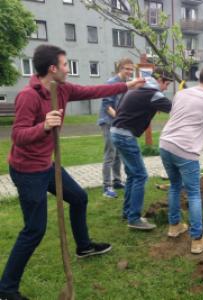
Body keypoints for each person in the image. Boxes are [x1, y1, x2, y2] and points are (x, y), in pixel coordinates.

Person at [0, 44, 145, 300]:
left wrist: (127, 86)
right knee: (34, 230)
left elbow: (93, 90)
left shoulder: (63, 89)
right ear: (53, 68)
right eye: (66, 65)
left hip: (47, 165)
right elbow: (18, 136)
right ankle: (6, 289)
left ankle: (84, 247)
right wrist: (44, 126)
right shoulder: (29, 96)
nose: (69, 69)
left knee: (79, 198)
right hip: (27, 170)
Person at [159, 65, 203, 254]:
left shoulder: (181, 94)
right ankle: (198, 239)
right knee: (193, 193)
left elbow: (178, 116)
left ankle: (174, 227)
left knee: (175, 185)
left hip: (165, 144)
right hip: (185, 150)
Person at [111, 68, 173, 230]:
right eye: (166, 84)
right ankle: (134, 218)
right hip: (125, 136)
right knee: (140, 175)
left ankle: (128, 212)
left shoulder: (140, 88)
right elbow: (175, 108)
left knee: (132, 175)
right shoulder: (152, 93)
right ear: (159, 80)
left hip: (117, 132)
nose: (166, 88)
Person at [98, 58, 134, 198]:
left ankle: (117, 181)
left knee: (118, 152)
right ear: (120, 69)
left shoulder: (126, 84)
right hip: (108, 121)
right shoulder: (111, 83)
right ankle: (107, 187)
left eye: (131, 69)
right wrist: (119, 119)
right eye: (127, 69)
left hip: (117, 122)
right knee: (110, 153)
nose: (129, 72)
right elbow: (107, 106)